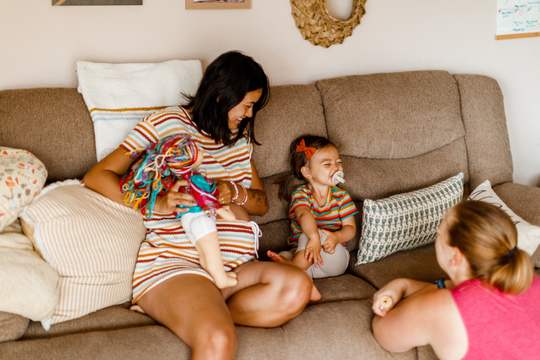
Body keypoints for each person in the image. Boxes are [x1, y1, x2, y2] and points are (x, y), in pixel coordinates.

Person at [83, 51, 313, 360]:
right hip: (180, 263)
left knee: (297, 286)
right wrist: (160, 203)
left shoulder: (238, 140)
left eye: (253, 107)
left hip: (237, 270)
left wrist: (231, 191)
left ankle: (194, 312)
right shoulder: (167, 124)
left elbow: (260, 204)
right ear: (221, 96)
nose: (248, 115)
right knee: (218, 340)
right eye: (246, 105)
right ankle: (193, 309)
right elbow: (97, 176)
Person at [371, 200, 540, 359]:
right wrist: (403, 284)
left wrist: (402, 287)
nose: (437, 237)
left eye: (439, 233)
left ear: (456, 257)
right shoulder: (527, 278)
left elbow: (383, 332)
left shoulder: (442, 308)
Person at [120, 134, 239, 289]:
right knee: (212, 250)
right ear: (188, 161)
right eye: (198, 152)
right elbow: (205, 199)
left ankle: (213, 273)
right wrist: (224, 213)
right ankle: (221, 278)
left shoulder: (176, 182)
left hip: (187, 220)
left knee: (204, 253)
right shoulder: (195, 180)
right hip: (200, 219)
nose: (203, 153)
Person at [267, 135, 359, 283]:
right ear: (307, 172)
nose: (337, 167)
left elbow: (350, 228)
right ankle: (299, 275)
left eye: (338, 162)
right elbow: (303, 213)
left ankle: (292, 268)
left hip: (333, 257)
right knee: (288, 252)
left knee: (310, 235)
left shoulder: (342, 197)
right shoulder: (301, 194)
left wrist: (337, 237)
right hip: (305, 255)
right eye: (327, 164)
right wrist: (314, 238)